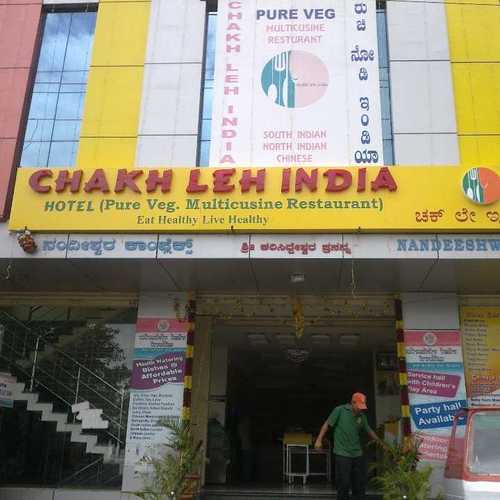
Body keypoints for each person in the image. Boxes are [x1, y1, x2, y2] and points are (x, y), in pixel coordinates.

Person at [315, 392, 382, 500]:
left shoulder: (362, 416)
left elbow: (369, 430)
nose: (360, 409)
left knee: (359, 484)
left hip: (357, 453)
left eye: (362, 407)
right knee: (344, 483)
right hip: (342, 453)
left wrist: (381, 443)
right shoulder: (340, 410)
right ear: (352, 402)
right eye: (359, 406)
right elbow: (327, 424)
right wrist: (319, 440)